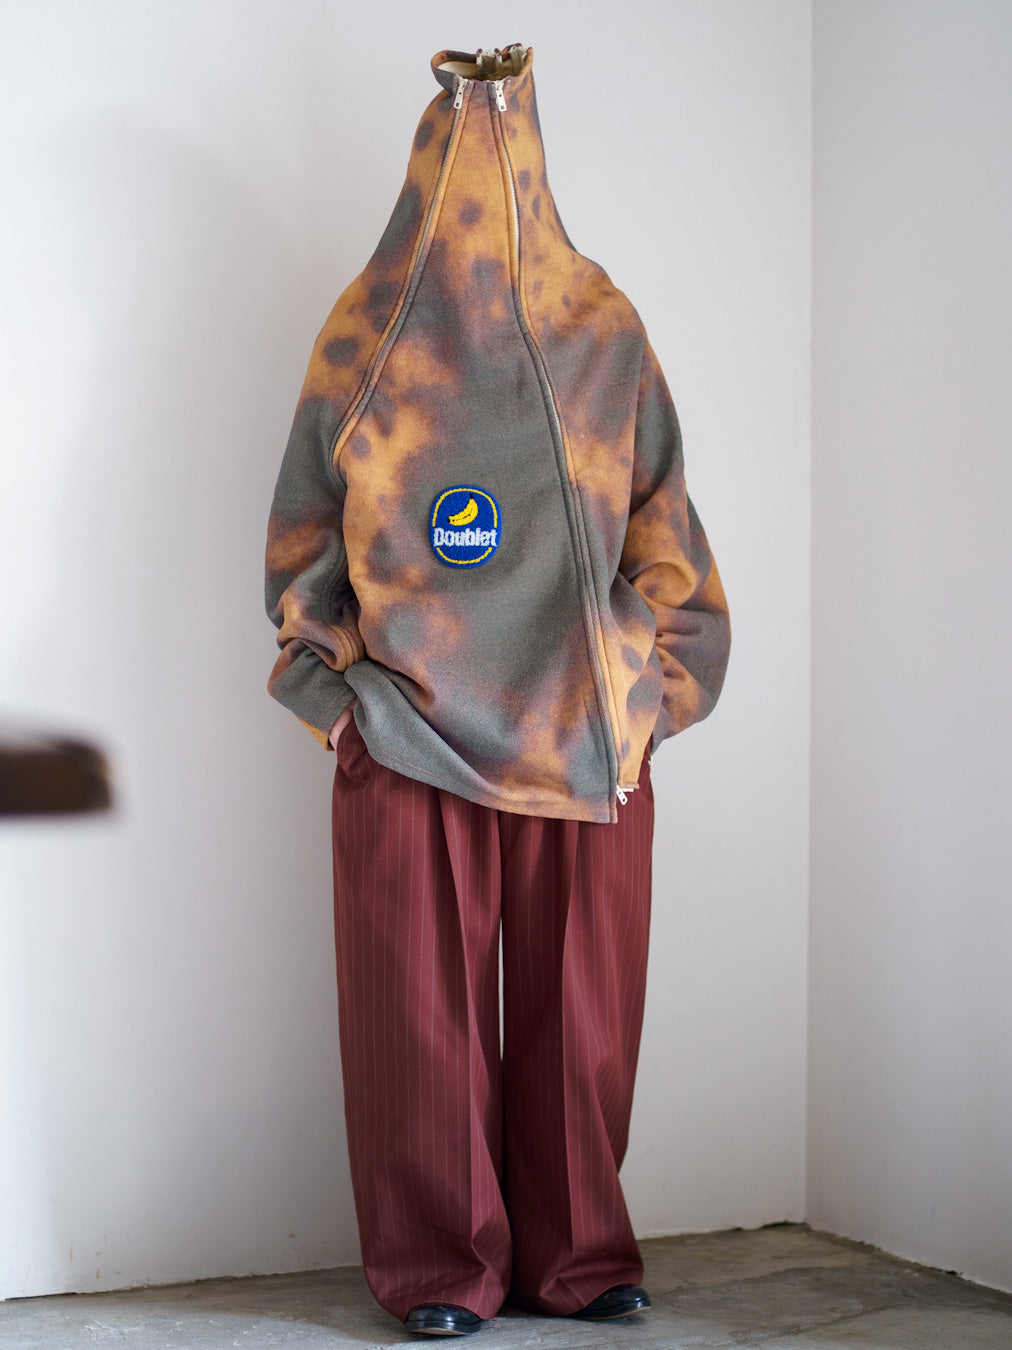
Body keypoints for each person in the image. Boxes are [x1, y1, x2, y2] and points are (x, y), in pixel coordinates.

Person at [264, 42, 731, 1339]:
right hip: (410, 728)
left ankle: (577, 1257)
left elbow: (669, 539)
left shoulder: (602, 331)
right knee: (420, 1028)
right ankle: (440, 1267)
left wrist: (649, 694)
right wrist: (343, 713)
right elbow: (303, 555)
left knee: (584, 1024)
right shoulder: (363, 336)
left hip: (584, 733)